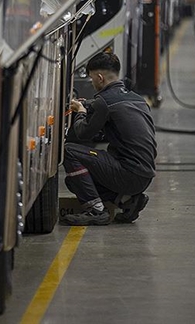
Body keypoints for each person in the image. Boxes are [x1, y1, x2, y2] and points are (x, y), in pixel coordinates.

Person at [60, 52, 157, 226]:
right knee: (74, 182)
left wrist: (81, 112)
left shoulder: (103, 101)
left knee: (69, 151)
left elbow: (83, 133)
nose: (92, 83)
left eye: (92, 79)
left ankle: (96, 210)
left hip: (128, 173)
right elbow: (111, 110)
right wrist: (87, 104)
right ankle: (127, 201)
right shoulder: (137, 99)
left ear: (100, 78)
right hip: (145, 175)